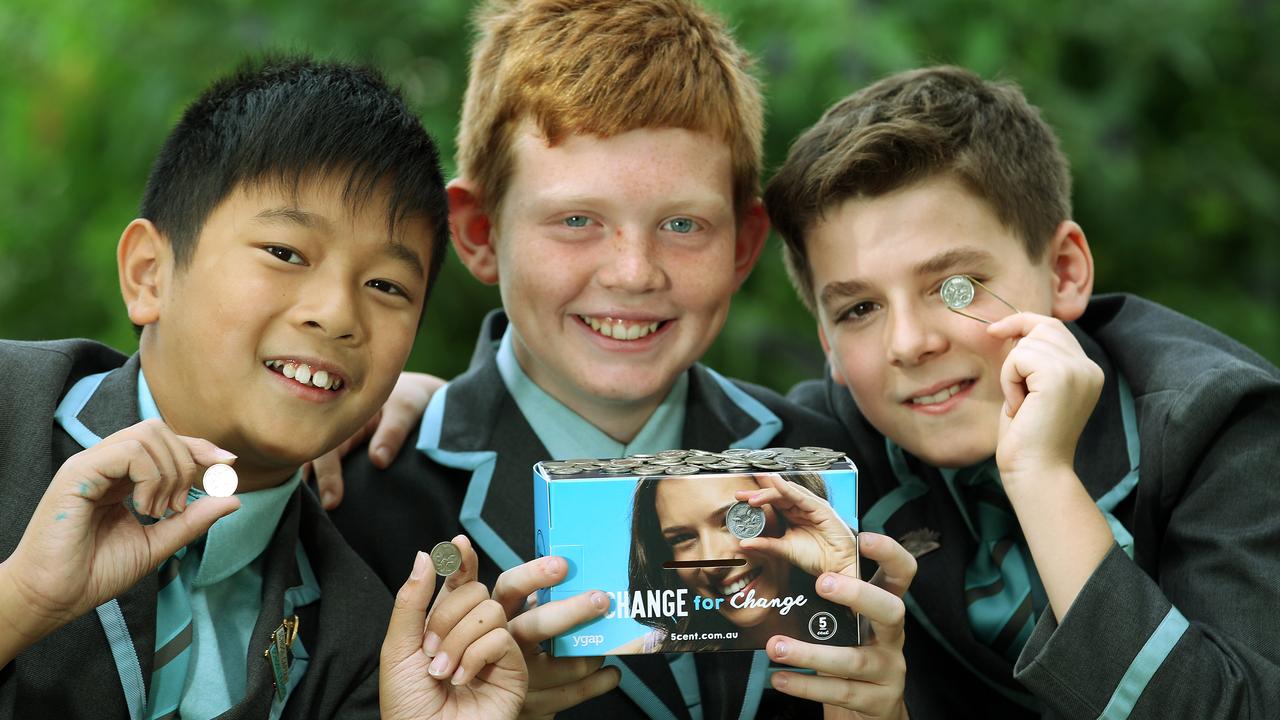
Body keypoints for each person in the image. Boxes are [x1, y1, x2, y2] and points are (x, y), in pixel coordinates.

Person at [327, 1, 915, 718]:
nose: (634, 273)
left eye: (682, 224)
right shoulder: (352, 503)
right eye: (577, 221)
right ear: (479, 233)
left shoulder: (840, 464)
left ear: (742, 246)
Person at [0, 56, 528, 720]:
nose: (336, 313)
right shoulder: (8, 410)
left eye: (388, 287)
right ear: (148, 275)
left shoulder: (370, 639)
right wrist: (19, 602)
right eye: (284, 252)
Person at [765, 65, 1280, 718]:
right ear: (828, 345)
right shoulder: (820, 458)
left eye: (955, 288)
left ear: (1064, 271)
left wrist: (1042, 478)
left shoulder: (1217, 424)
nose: (908, 343)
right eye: (859, 310)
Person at [622, 472, 858, 654]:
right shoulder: (642, 657)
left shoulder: (874, 619)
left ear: (789, 511)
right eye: (683, 538)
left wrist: (850, 587)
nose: (713, 563)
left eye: (734, 519)